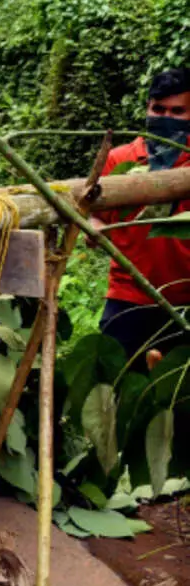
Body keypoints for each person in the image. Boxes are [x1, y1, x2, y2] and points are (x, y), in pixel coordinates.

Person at [90, 68, 190, 368]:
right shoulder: (119, 159)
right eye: (158, 109)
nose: (165, 118)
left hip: (185, 299)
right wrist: (94, 230)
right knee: (115, 385)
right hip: (128, 294)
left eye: (178, 111)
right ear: (147, 108)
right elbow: (97, 218)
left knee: (177, 397)